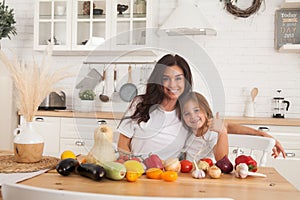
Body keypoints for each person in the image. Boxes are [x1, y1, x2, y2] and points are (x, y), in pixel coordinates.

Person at [117, 54, 285, 160]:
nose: (172, 84)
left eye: (178, 78)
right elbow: (123, 143)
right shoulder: (140, 104)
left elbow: (223, 125)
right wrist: (127, 162)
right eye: (166, 78)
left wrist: (262, 134)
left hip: (169, 176)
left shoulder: (187, 111)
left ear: (186, 80)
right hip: (136, 173)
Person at [180, 91, 228, 162]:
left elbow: (222, 159)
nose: (193, 116)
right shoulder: (186, 132)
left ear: (205, 110)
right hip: (190, 171)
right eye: (187, 113)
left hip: (208, 171)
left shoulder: (211, 132)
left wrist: (222, 132)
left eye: (196, 110)